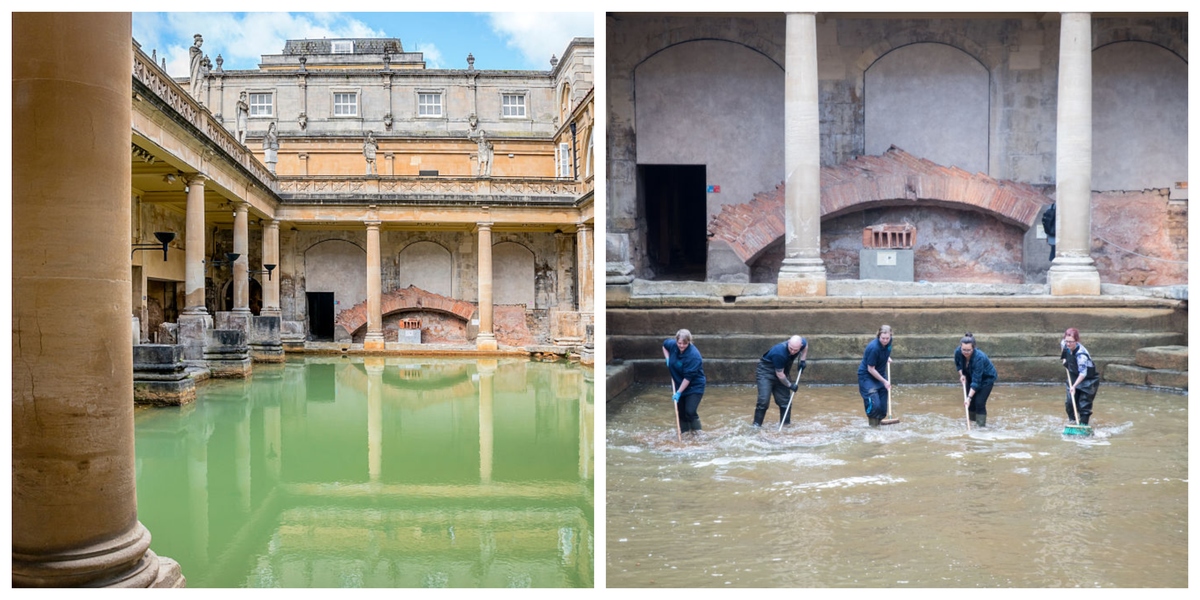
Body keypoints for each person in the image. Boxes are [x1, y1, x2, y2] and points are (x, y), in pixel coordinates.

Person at [753, 335, 807, 427]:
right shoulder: (779, 353)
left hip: (782, 372)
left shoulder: (802, 344)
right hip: (766, 373)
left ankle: (785, 426)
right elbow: (780, 375)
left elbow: (806, 346)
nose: (793, 351)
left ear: (800, 345)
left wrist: (802, 361)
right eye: (791, 348)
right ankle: (756, 426)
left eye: (796, 350)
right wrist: (790, 385)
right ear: (788, 342)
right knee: (763, 401)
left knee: (785, 401)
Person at [663, 329, 706, 434]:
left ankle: (698, 434)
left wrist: (679, 393)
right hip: (678, 382)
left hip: (694, 386)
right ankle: (684, 433)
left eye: (685, 343)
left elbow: (688, 378)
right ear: (676, 341)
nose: (681, 346)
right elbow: (664, 345)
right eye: (679, 343)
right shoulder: (673, 345)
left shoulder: (694, 356)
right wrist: (668, 358)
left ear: (689, 342)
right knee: (681, 413)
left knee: (690, 411)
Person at [955, 332, 998, 427]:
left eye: (968, 350)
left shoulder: (979, 358)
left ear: (974, 348)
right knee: (970, 404)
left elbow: (976, 381)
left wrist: (969, 398)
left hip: (986, 379)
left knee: (979, 402)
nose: (966, 352)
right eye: (964, 350)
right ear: (960, 347)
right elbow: (958, 365)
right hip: (969, 375)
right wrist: (961, 374)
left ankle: (981, 426)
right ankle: (971, 422)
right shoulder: (958, 352)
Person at [1061, 327, 1099, 426]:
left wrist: (1074, 386)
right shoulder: (1065, 344)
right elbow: (1063, 347)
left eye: (1071, 342)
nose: (1068, 344)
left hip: (1088, 381)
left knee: (1084, 405)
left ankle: (1083, 426)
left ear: (1077, 341)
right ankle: (1072, 423)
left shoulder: (1081, 355)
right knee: (1070, 403)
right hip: (1073, 376)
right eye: (1067, 341)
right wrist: (1065, 360)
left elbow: (1083, 374)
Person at [858, 325, 893, 427]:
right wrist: (884, 381)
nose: (885, 341)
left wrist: (886, 356)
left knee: (882, 408)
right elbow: (871, 369)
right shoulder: (874, 348)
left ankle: (879, 426)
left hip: (880, 374)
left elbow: (886, 349)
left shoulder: (889, 342)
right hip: (867, 376)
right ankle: (873, 429)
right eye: (883, 338)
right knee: (874, 405)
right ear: (878, 336)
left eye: (887, 338)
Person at [188, 34, 204, 98]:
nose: (201, 44)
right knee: (197, 81)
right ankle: (194, 96)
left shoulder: (200, 51)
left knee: (200, 81)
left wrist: (203, 61)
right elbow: (193, 58)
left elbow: (199, 60)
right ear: (196, 41)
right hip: (195, 68)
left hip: (199, 68)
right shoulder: (192, 49)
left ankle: (196, 96)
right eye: (200, 42)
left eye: (201, 42)